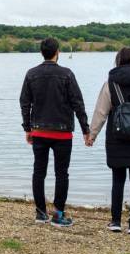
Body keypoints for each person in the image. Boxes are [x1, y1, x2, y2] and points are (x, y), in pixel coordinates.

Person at [20, 37, 91, 227]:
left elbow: (24, 103)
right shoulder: (67, 74)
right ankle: (58, 214)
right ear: (57, 52)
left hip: (39, 131)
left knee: (39, 172)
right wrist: (86, 129)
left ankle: (41, 213)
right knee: (62, 174)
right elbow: (78, 103)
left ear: (42, 52)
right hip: (62, 133)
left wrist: (27, 128)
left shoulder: (31, 74)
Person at [86, 47, 130, 235]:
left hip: (116, 139)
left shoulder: (110, 84)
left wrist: (92, 135)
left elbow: (100, 112)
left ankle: (116, 222)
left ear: (117, 61)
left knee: (117, 180)